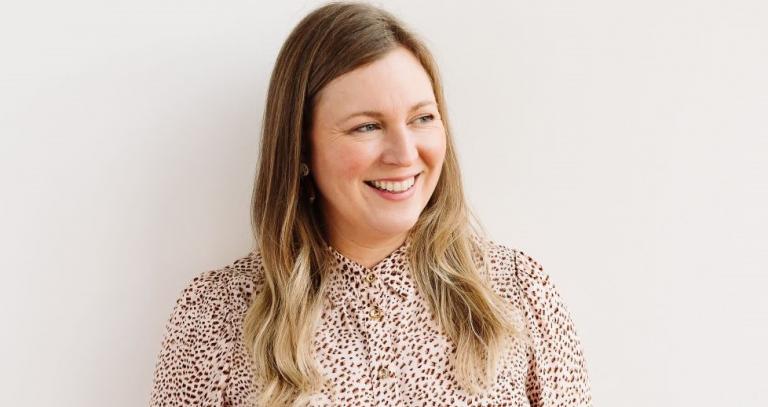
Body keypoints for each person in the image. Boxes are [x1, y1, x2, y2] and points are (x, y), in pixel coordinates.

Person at [149, 2, 592, 406]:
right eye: (366, 127)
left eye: (422, 118)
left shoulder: (518, 293)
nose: (404, 153)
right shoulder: (217, 314)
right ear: (301, 150)